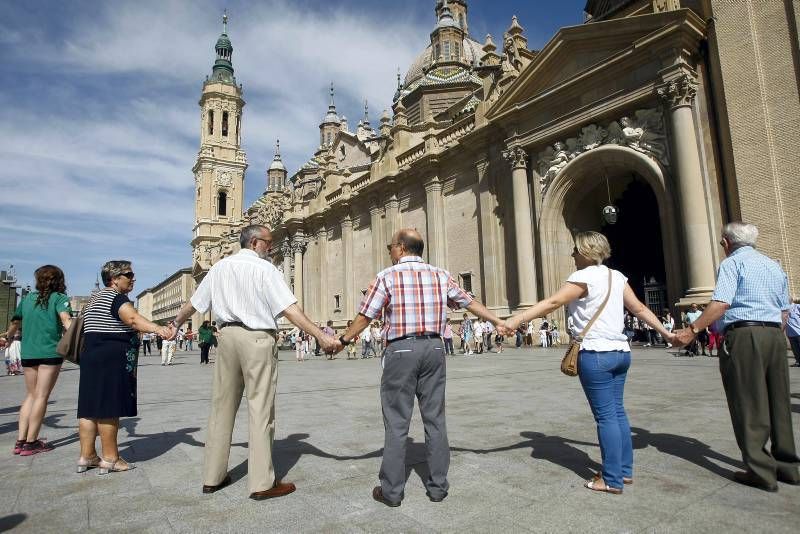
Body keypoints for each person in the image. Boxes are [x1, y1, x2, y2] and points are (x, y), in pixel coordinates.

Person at [335, 228, 507, 507]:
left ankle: (391, 492)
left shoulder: (386, 276)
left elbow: (366, 316)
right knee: (435, 418)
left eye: (391, 246)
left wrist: (342, 340)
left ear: (401, 248)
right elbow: (468, 302)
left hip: (401, 348)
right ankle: (438, 487)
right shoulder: (440, 274)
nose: (389, 250)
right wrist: (498, 321)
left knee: (396, 421)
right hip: (435, 348)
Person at [171, 224, 337, 500]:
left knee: (221, 407)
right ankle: (262, 483)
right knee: (260, 409)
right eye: (268, 242)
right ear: (254, 243)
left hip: (227, 338)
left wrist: (175, 323)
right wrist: (319, 334)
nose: (271, 247)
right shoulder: (265, 269)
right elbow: (289, 308)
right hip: (257, 339)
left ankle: (212, 477)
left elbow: (195, 303)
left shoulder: (220, 268)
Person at [505, 231, 674, 494]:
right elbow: (639, 309)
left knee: (606, 417)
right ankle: (624, 471)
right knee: (618, 413)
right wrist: (667, 334)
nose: (572, 254)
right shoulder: (616, 276)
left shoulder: (582, 276)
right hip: (620, 352)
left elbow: (554, 301)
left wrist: (516, 320)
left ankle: (611, 479)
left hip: (595, 353)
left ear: (585, 252)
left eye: (575, 250)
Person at [673, 222, 800, 492]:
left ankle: (760, 471)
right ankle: (788, 467)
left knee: (748, 401)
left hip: (744, 335)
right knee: (778, 401)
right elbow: (786, 309)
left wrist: (692, 330)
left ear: (726, 243)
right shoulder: (773, 265)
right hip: (775, 336)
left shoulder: (731, 264)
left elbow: (721, 303)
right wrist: (773, 332)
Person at [78, 261, 174, 474]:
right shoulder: (116, 297)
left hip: (91, 356)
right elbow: (132, 319)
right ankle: (111, 458)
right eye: (128, 274)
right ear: (113, 279)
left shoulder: (94, 299)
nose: (133, 278)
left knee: (89, 407)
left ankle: (87, 456)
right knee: (109, 407)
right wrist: (158, 329)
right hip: (111, 356)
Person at [0, 266, 72, 456]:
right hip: (50, 352)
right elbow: (66, 321)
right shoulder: (59, 298)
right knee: (42, 396)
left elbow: (15, 323)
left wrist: (7, 338)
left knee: (31, 395)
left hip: (28, 352)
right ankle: (32, 442)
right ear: (59, 280)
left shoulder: (27, 299)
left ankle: (20, 440)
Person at [787, 299, 800, 367]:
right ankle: (798, 361)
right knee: (795, 349)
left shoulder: (797, 306)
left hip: (798, 332)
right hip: (790, 333)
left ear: (791, 300)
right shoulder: (784, 309)